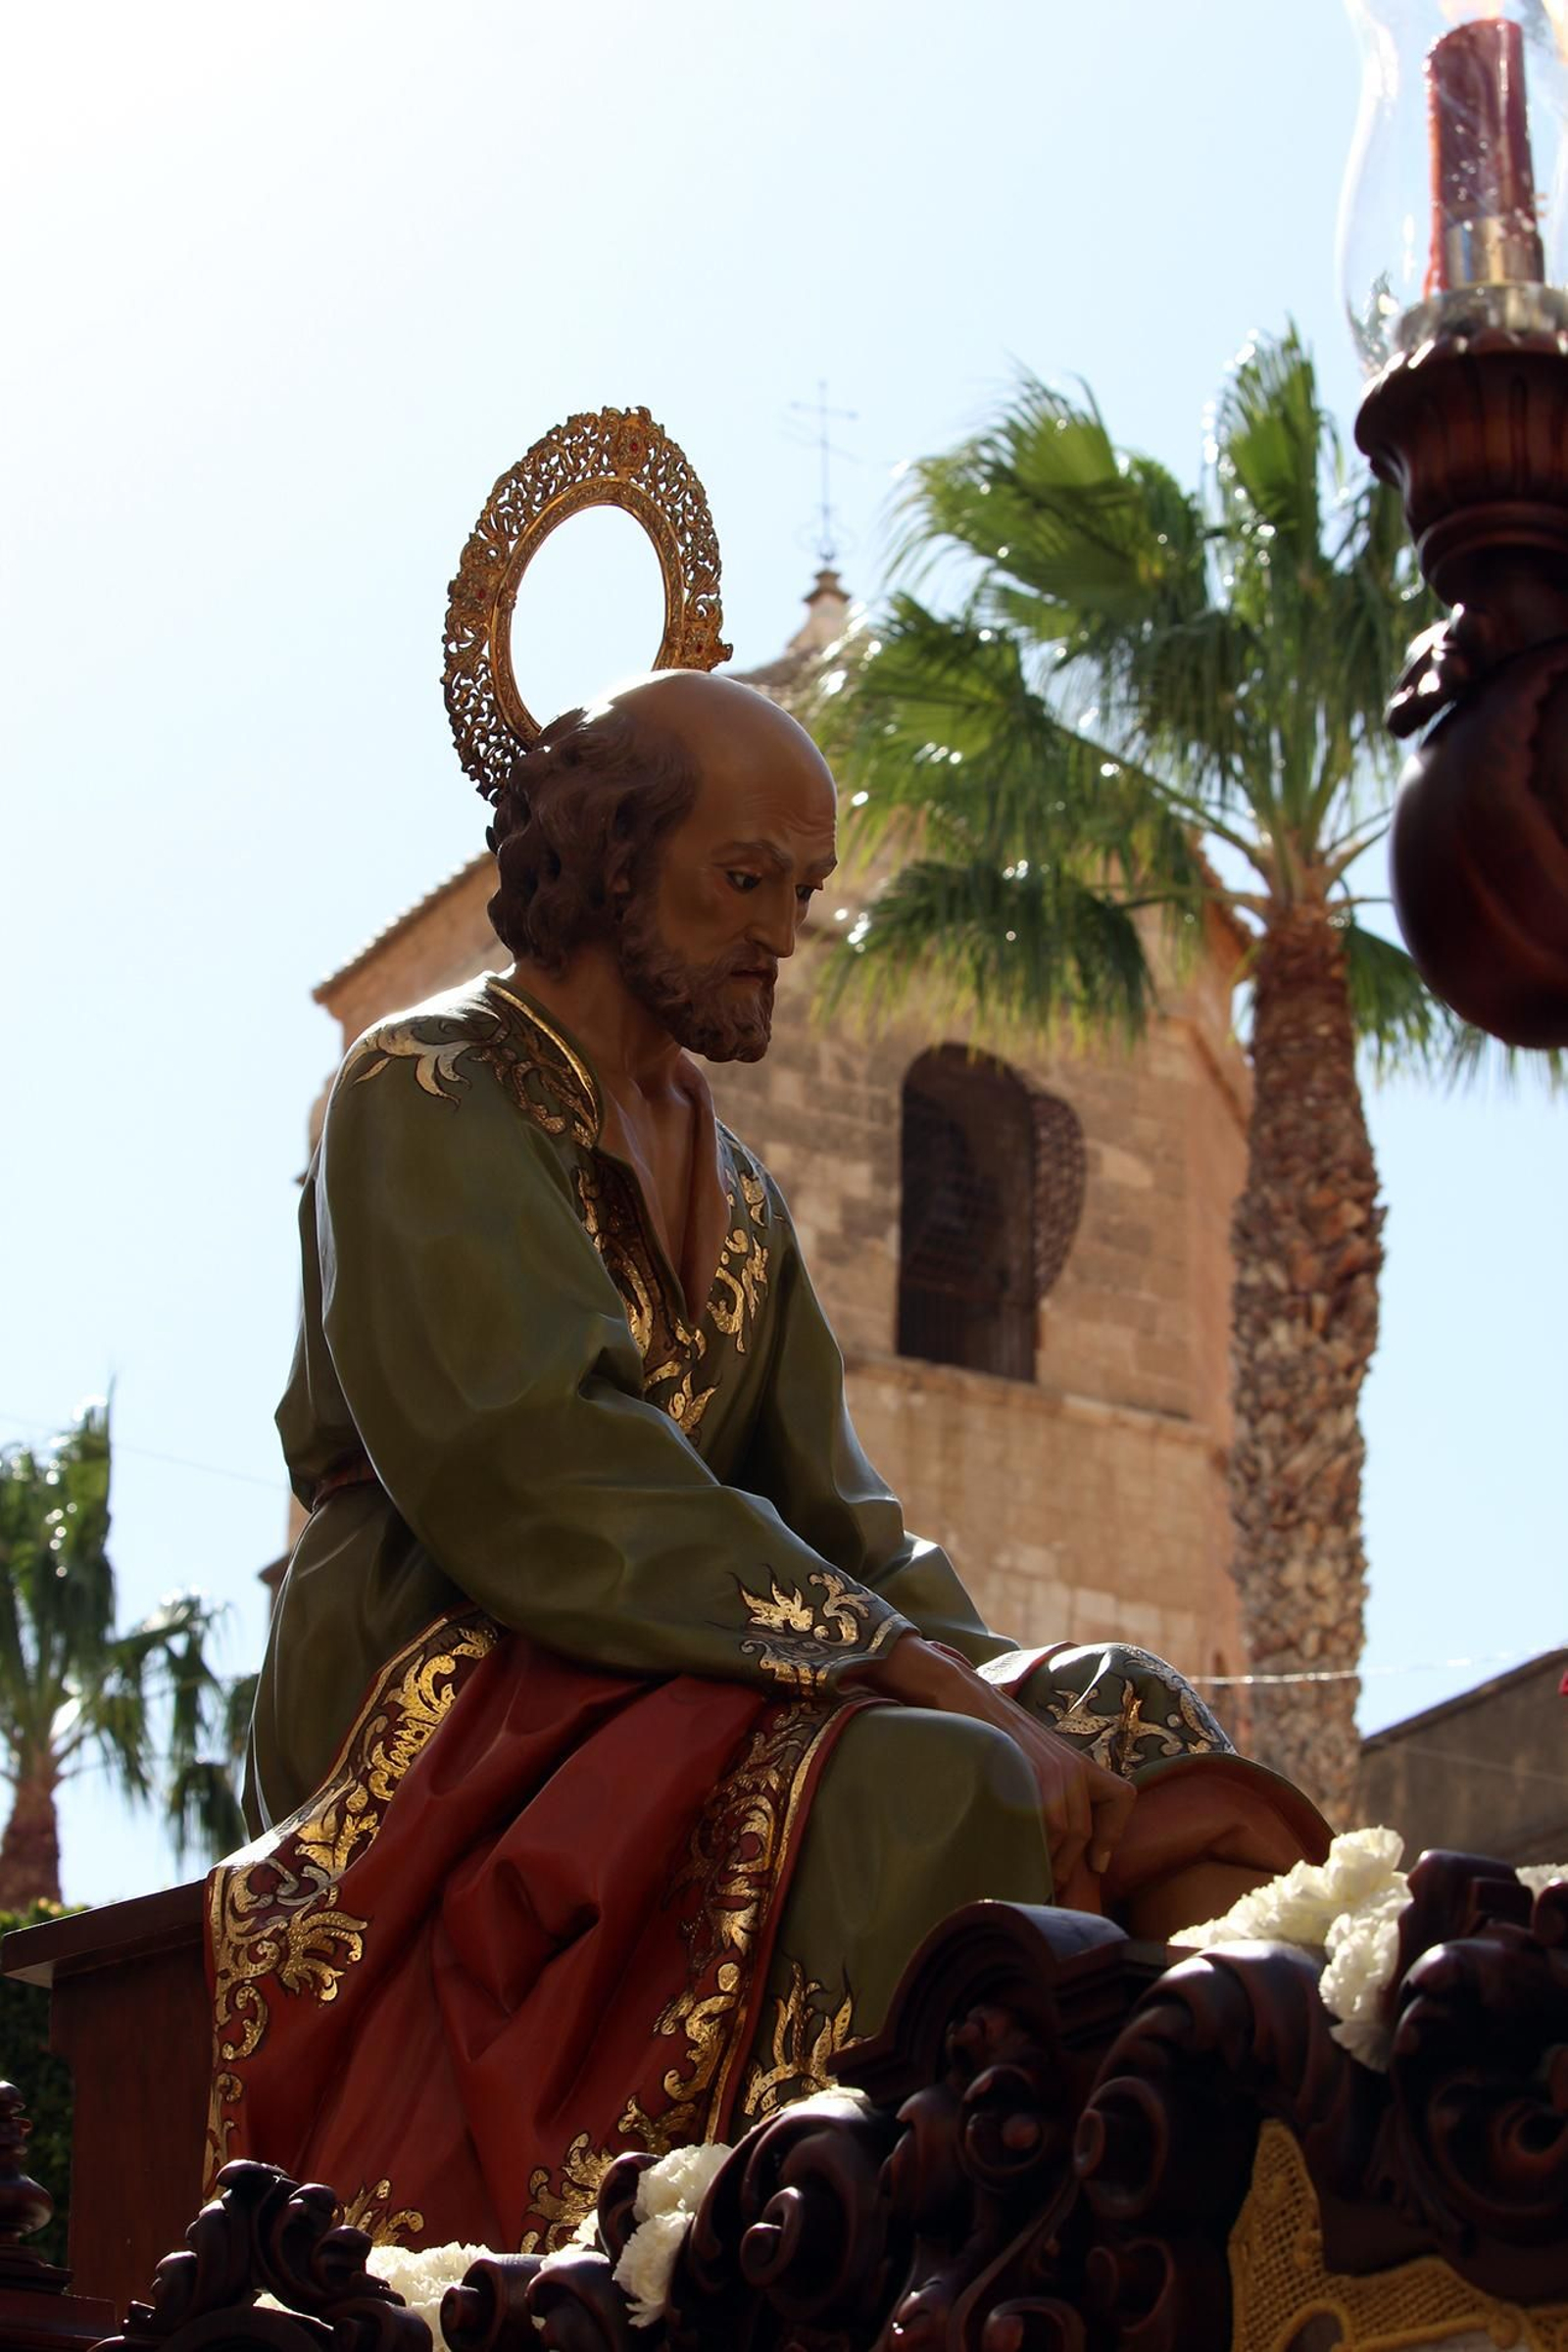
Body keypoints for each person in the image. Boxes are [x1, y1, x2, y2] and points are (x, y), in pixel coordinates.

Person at [218, 672, 1325, 2253]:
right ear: (612, 857)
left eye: (803, 890)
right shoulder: (425, 1089)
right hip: (460, 1663)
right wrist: (936, 1694)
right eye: (748, 881)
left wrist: (1010, 1681)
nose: (788, 933)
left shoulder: (740, 1189)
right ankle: (798, 2252)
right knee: (932, 1776)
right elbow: (538, 1469)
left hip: (697, 1657)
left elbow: (847, 1522)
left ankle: (1205, 2205)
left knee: (1132, 1707)